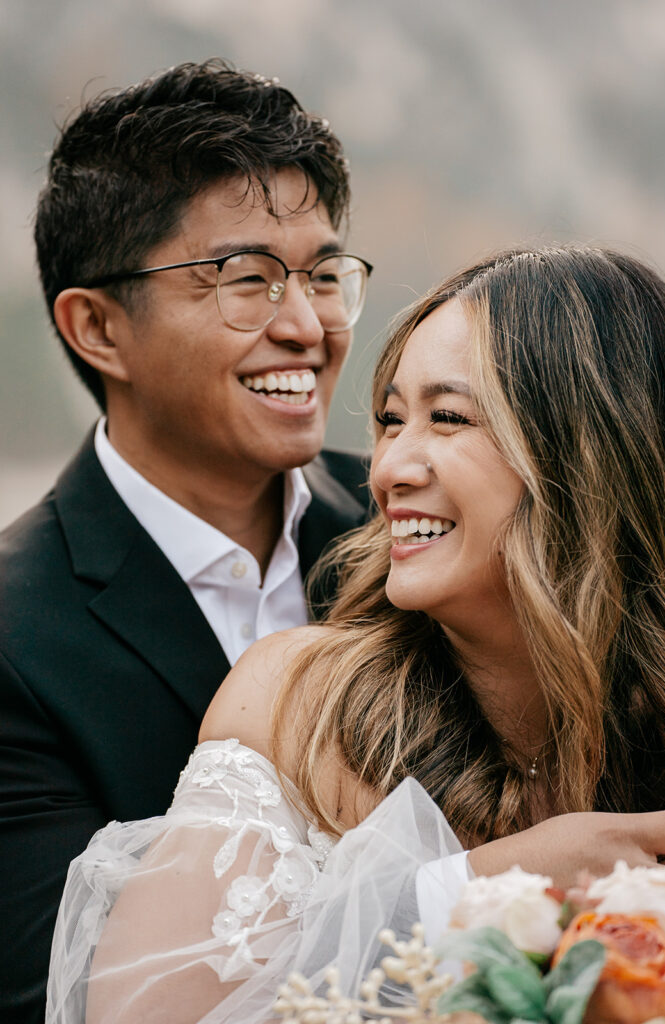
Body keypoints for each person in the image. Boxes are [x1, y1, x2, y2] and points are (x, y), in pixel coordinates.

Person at [46, 245, 665, 1023]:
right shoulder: (297, 704)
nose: (388, 468)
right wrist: (476, 889)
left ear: (589, 453)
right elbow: (141, 1016)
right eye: (388, 420)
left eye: (446, 418)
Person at [0, 60, 373, 1022]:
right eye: (246, 280)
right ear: (98, 327)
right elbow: (73, 995)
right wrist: (485, 889)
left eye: (324, 275)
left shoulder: (412, 527)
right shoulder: (13, 641)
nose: (307, 325)